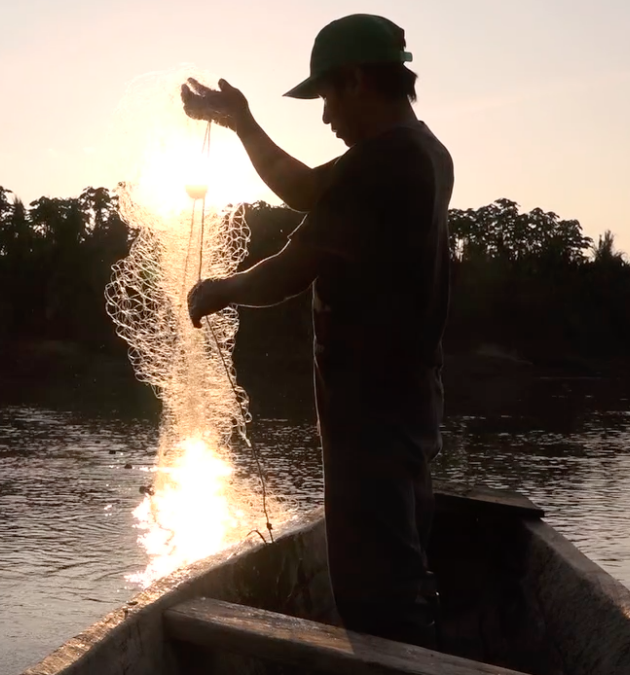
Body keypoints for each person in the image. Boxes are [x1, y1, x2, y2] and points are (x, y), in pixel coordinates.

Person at [183, 13, 454, 649]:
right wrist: (241, 122)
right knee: (399, 547)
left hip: (372, 403)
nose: (327, 115)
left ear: (358, 80)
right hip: (406, 394)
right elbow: (305, 188)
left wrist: (221, 291)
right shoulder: (420, 152)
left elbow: (290, 269)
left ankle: (403, 659)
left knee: (373, 582)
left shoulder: (387, 165)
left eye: (328, 96)